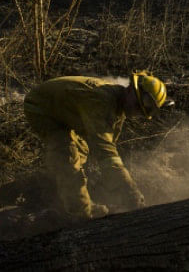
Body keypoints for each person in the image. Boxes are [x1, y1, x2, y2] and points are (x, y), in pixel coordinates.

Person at [23, 71, 173, 219]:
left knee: (81, 152)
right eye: (137, 104)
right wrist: (130, 192)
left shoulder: (117, 107)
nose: (136, 111)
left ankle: (70, 197)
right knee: (68, 158)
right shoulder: (101, 101)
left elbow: (109, 145)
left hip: (66, 113)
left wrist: (113, 181)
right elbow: (105, 151)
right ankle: (80, 214)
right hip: (42, 108)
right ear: (130, 89)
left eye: (141, 111)